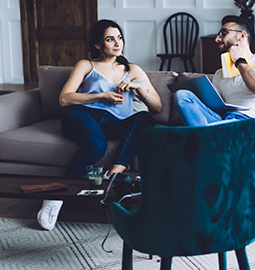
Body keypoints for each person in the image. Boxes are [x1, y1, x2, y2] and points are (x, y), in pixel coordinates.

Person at [37, 19, 162, 230]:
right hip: (82, 116)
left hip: (115, 123)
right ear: (98, 44)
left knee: (145, 118)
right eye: (110, 39)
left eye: (119, 38)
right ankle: (55, 199)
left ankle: (115, 172)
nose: (117, 43)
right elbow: (65, 99)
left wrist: (138, 88)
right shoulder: (86, 65)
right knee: (96, 145)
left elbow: (157, 106)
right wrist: (101, 96)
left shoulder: (132, 69)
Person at [174, 15, 255, 136]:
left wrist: (239, 61)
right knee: (182, 95)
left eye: (223, 33)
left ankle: (205, 136)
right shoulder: (220, 73)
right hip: (223, 120)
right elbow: (215, 108)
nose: (217, 39)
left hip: (250, 123)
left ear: (242, 36)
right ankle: (208, 135)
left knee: (202, 133)